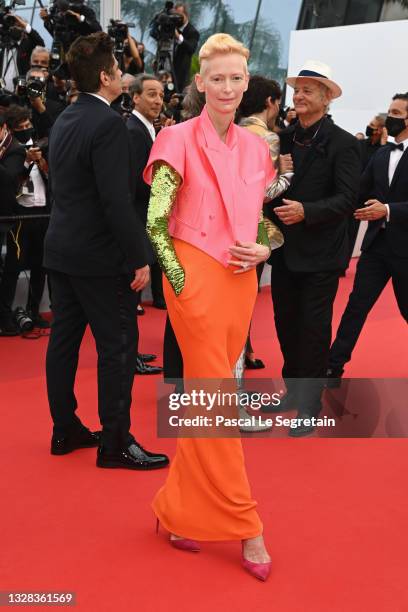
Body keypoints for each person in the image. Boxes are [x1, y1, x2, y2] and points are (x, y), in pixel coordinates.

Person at [144, 33, 275, 581]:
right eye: (216, 78)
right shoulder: (175, 138)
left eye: (235, 78)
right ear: (199, 83)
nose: (226, 87)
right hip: (192, 276)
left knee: (206, 394)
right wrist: (181, 285)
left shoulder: (257, 148)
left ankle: (175, 511)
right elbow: (156, 222)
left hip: (241, 280)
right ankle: (249, 527)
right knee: (218, 396)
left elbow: (263, 217)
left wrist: (269, 246)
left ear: (247, 83)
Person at [44, 32, 169, 471]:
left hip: (61, 250)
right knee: (116, 347)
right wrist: (140, 257)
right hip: (100, 259)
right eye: (117, 68)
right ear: (105, 76)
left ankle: (65, 429)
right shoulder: (108, 124)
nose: (121, 73)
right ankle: (115, 442)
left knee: (63, 343)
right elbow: (115, 201)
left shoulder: (65, 118)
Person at [260, 60, 361, 436]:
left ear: (326, 98)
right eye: (297, 90)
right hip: (285, 250)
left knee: (313, 329)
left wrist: (307, 211)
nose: (299, 96)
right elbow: (268, 190)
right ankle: (292, 389)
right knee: (285, 323)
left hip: (321, 254)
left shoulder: (344, 144)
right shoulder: (282, 139)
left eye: (308, 90)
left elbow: (348, 199)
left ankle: (309, 404)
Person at [328, 93, 408, 383]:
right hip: (375, 248)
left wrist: (386, 210)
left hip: (405, 250)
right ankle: (333, 366)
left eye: (397, 112)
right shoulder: (381, 154)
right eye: (389, 110)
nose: (390, 117)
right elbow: (358, 193)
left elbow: (384, 205)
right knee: (356, 307)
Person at [127, 74, 166, 375]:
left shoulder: (148, 129)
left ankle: (133, 353)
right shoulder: (133, 131)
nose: (158, 100)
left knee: (134, 297)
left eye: (161, 95)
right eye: (151, 94)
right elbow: (138, 183)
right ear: (135, 96)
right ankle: (129, 357)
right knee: (130, 297)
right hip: (136, 222)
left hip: (145, 221)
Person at [173, 2, 199, 92]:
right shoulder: (171, 28)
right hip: (167, 73)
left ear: (186, 15)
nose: (177, 18)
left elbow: (191, 48)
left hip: (180, 76)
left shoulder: (192, 32)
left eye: (179, 15)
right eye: (174, 15)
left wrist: (179, 37)